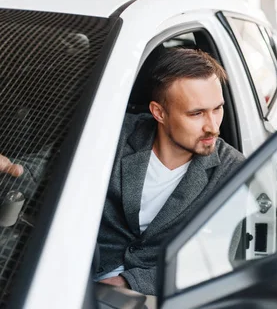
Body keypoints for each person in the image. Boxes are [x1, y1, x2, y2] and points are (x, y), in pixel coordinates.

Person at [1, 48, 245, 295]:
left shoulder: (234, 170)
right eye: (197, 113)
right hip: (70, 275)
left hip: (153, 294)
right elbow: (46, 167)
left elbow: (219, 259)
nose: (213, 127)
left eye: (217, 109)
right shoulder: (114, 134)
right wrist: (13, 168)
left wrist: (129, 283)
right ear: (159, 112)